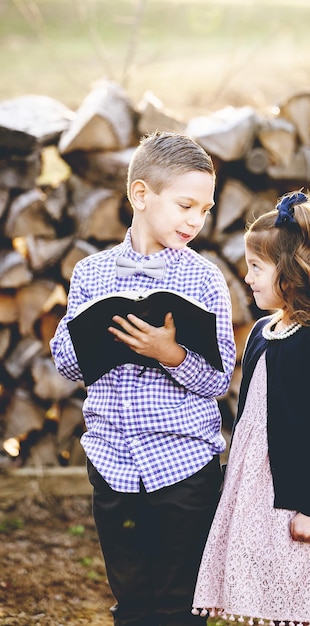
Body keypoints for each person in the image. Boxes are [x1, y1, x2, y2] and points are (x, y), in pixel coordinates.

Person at [50, 131, 236, 626]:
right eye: (184, 205)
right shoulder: (91, 273)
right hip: (112, 463)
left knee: (179, 604)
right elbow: (66, 363)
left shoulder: (203, 278)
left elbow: (220, 378)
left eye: (205, 208)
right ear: (140, 194)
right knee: (132, 602)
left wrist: (170, 354)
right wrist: (95, 342)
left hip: (183, 467)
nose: (195, 220)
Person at [192, 190, 310, 626]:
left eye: (257, 267)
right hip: (253, 486)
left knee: (293, 590)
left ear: (293, 274)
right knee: (255, 587)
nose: (247, 276)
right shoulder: (262, 331)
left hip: (296, 494)